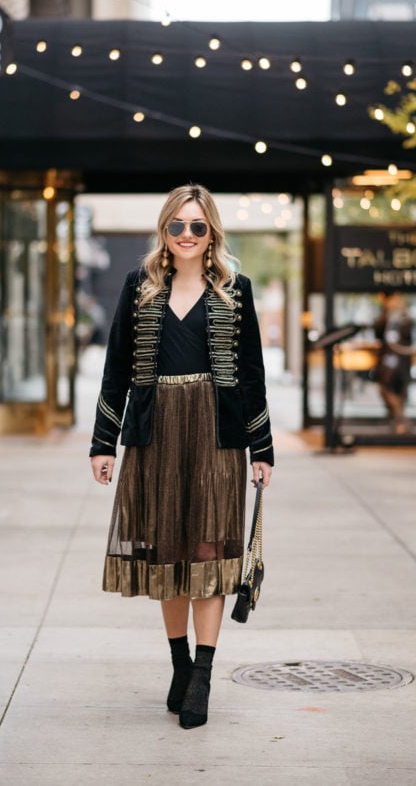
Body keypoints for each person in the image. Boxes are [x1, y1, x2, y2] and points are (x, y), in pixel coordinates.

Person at [89, 184, 273, 730]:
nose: (188, 235)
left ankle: (204, 676)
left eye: (198, 226)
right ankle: (178, 663)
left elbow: (253, 373)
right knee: (168, 553)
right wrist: (104, 442)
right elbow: (117, 365)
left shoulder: (234, 291)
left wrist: (261, 449)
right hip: (156, 433)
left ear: (211, 231)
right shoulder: (137, 287)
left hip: (217, 435)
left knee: (208, 554)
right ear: (164, 231)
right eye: (178, 226)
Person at [374, 292, 413, 433]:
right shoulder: (402, 316)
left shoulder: (397, 316)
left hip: (393, 358)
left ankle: (400, 417)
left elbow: (379, 332)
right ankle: (399, 419)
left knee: (389, 388)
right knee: (394, 389)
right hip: (399, 359)